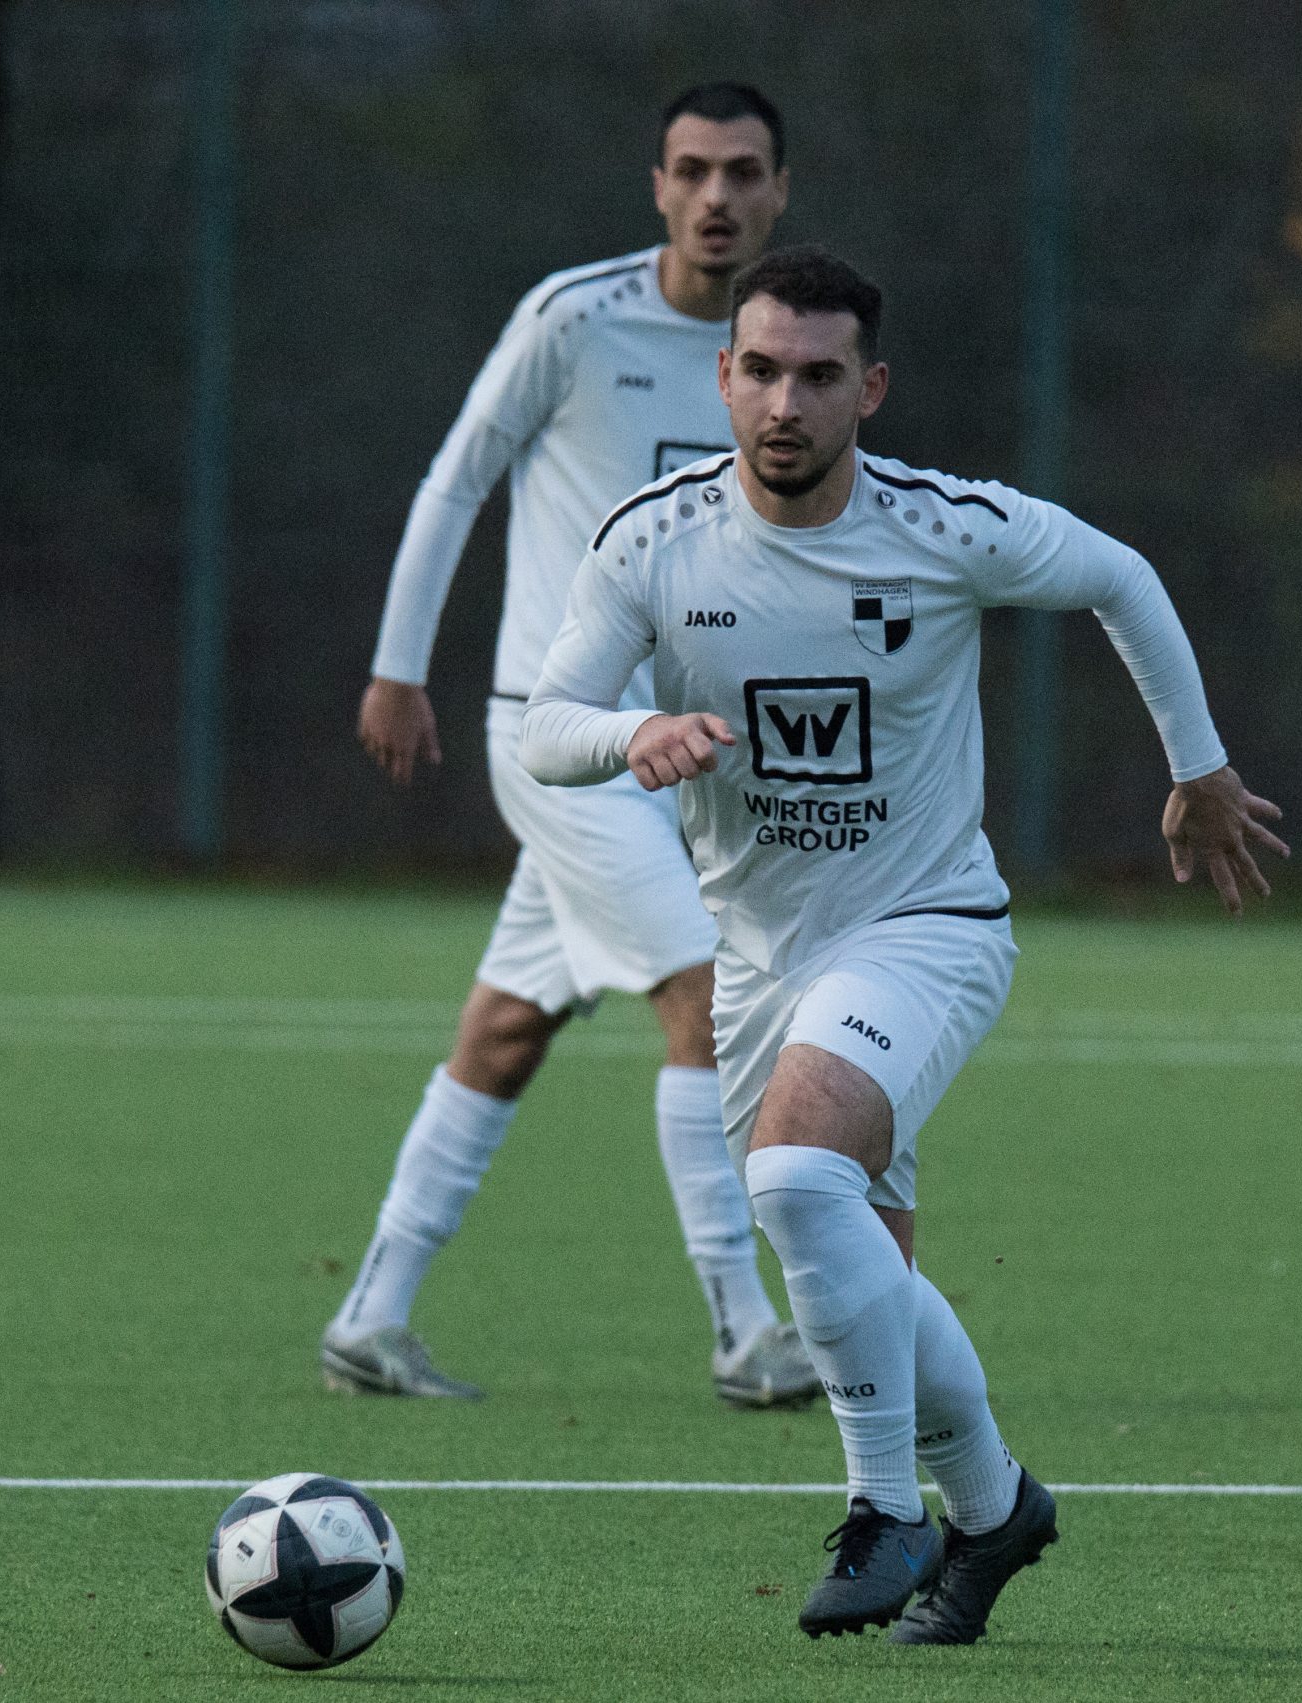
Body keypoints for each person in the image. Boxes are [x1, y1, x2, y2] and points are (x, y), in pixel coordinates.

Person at [520, 246, 1284, 1644]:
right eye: (761, 370)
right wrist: (635, 731)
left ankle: (885, 1510)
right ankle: (994, 1511)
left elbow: (1121, 576)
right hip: (761, 962)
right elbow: (544, 726)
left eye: (819, 375)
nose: (785, 402)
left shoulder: (944, 527)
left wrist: (1199, 766)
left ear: (869, 389)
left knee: (794, 1171)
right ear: (722, 378)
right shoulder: (653, 539)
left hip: (926, 928)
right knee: (865, 1276)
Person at [325, 85, 818, 1408]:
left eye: (745, 172)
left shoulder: (784, 354)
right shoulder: (575, 317)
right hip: (562, 740)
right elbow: (456, 477)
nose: (717, 196)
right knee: (710, 997)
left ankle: (371, 1312)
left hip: (689, 760)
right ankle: (745, 1329)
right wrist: (397, 664)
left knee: (507, 1029)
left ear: (781, 190)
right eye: (693, 170)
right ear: (656, 185)